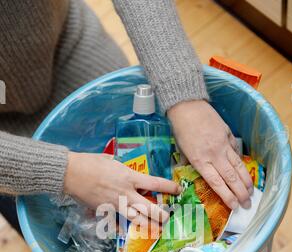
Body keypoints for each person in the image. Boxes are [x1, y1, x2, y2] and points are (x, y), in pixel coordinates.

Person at [0, 0, 253, 234]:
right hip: (14, 155)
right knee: (63, 230)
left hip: (69, 47)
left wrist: (184, 97)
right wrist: (65, 173)